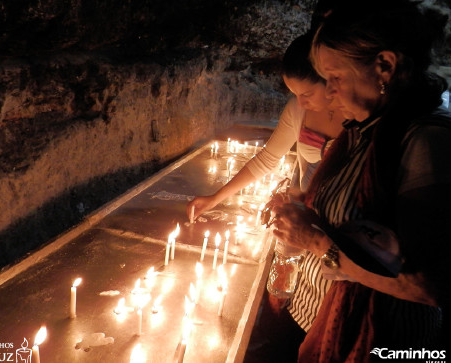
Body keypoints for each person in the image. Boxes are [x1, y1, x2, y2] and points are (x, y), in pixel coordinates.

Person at [272, 0, 451, 360]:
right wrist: (301, 207)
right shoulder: (364, 129)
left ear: (384, 66)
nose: (329, 91)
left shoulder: (424, 142)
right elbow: (349, 216)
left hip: (375, 342)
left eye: (335, 77)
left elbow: (429, 284)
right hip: (318, 320)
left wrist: (318, 243)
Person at [187, 32, 345, 362]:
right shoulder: (299, 111)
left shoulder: (358, 118)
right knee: (287, 308)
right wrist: (215, 198)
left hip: (334, 238)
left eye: (307, 92)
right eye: (294, 94)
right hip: (298, 228)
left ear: (332, 80)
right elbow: (267, 159)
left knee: (329, 323)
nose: (301, 101)